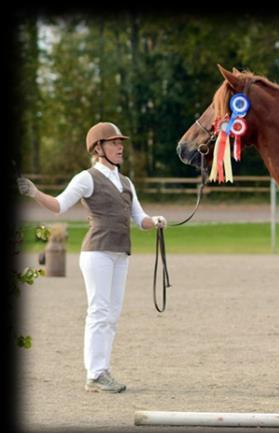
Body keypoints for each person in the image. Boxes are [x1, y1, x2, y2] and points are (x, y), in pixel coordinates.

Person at [17, 122, 167, 393]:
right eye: (113, 143)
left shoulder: (126, 182)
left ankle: (102, 370)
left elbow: (140, 218)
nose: (120, 147)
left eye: (120, 143)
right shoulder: (86, 178)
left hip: (121, 253)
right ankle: (95, 374)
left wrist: (155, 221)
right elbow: (59, 206)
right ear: (98, 148)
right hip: (97, 251)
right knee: (99, 311)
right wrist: (34, 192)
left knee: (112, 314)